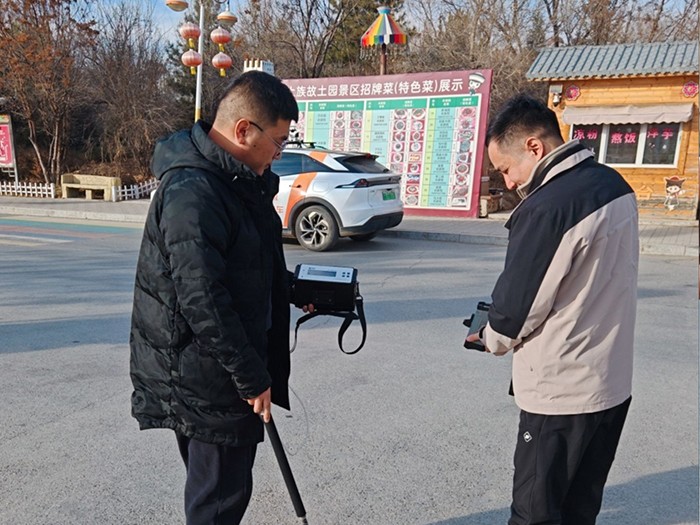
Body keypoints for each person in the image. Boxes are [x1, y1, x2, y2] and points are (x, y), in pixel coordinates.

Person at [129, 70, 307, 524]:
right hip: (208, 379)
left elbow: (248, 266)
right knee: (218, 501)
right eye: (278, 142)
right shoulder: (194, 192)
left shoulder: (237, 181)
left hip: (225, 369)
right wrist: (251, 377)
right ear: (244, 129)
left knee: (224, 492)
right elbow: (202, 298)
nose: (279, 153)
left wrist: (295, 290)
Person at [466, 94, 638, 525]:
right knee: (580, 507)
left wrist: (488, 337)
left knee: (536, 513)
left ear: (534, 147)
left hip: (561, 394)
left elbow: (515, 312)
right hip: (611, 384)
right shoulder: (614, 185)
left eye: (506, 169)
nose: (508, 183)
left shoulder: (548, 207)